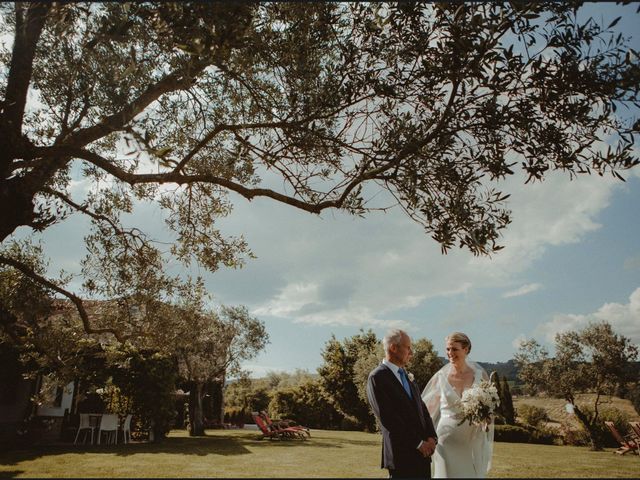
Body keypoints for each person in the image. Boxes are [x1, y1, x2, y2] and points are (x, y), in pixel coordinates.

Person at [421, 332, 494, 478]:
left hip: (472, 440)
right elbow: (426, 410)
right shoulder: (441, 377)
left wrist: (486, 420)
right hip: (445, 439)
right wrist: (423, 436)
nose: (450, 353)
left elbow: (488, 409)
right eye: (448, 349)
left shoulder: (480, 376)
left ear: (466, 349)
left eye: (454, 349)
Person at [367, 329, 438, 479]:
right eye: (408, 347)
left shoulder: (407, 376)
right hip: (401, 455)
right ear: (393, 348)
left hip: (423, 455)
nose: (411, 352)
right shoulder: (378, 377)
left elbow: (422, 409)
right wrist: (418, 443)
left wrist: (432, 437)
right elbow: (389, 418)